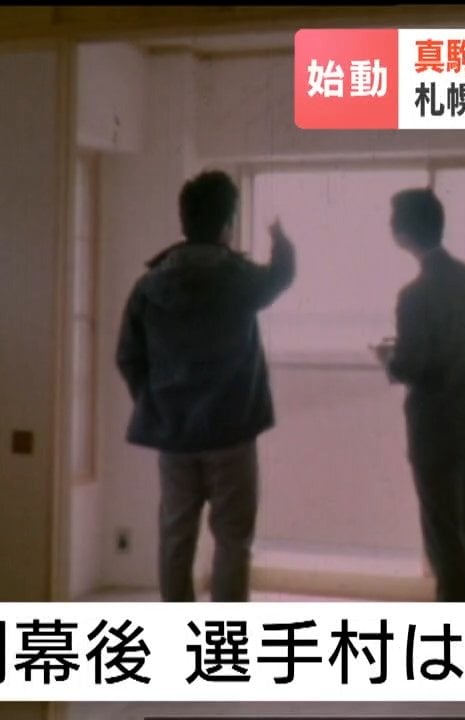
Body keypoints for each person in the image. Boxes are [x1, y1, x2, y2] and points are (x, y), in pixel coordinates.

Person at [117, 170, 296, 602]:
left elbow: (128, 357)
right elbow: (281, 276)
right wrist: (280, 239)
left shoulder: (149, 287)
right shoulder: (240, 279)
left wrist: (157, 404)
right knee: (233, 539)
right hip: (231, 432)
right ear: (226, 224)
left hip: (174, 436)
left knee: (176, 537)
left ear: (185, 221)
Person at [372, 188, 465, 602]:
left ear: (405, 232)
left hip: (437, 430)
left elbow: (413, 367)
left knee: (444, 536)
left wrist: (388, 358)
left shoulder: (415, 295)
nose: (389, 226)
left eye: (393, 220)